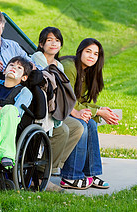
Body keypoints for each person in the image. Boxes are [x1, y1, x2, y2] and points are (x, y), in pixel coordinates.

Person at [59, 38, 119, 190]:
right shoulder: (69, 67)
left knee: (91, 123)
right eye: (88, 51)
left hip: (70, 109)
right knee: (82, 125)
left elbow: (81, 102)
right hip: (58, 109)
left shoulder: (87, 72)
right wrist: (98, 112)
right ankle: (70, 176)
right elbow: (68, 100)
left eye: (96, 54)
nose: (92, 56)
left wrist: (100, 110)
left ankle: (90, 174)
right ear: (80, 52)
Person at [31, 27, 84, 176]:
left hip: (54, 109)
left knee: (77, 128)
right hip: (39, 110)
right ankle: (43, 172)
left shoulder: (59, 66)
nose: (54, 43)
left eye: (57, 40)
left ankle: (53, 166)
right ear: (41, 44)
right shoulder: (34, 60)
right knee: (64, 130)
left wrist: (74, 112)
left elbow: (63, 94)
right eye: (49, 40)